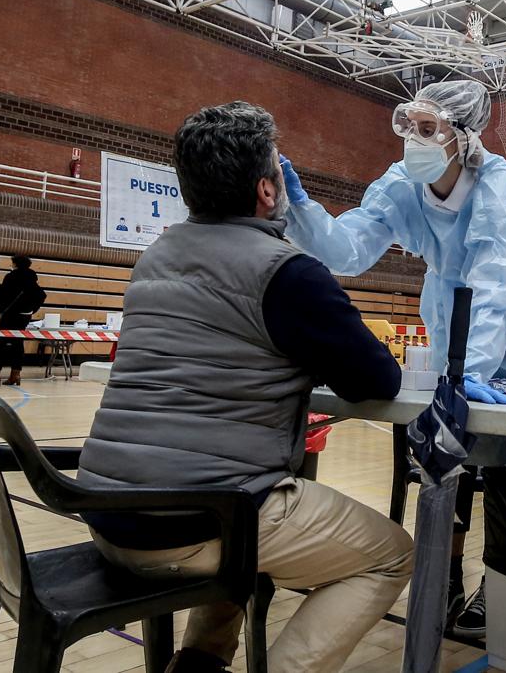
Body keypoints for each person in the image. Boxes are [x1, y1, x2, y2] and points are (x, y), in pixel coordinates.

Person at [77, 102, 413, 673]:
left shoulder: (155, 258)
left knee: (246, 492)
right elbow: (376, 380)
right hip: (196, 526)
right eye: (280, 172)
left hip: (106, 510)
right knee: (388, 556)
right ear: (266, 190)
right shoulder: (287, 272)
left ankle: (199, 665)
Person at [280, 79, 506, 638]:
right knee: (448, 453)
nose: (413, 138)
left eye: (429, 127)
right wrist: (302, 210)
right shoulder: (399, 184)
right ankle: (444, 577)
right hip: (452, 310)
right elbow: (349, 251)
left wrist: (472, 371)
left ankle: (497, 584)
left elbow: (498, 287)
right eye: (407, 124)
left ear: (463, 136)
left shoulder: (499, 188)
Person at [0, 255, 46, 387]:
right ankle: (15, 374)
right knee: (18, 344)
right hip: (25, 316)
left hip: (10, 315)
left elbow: (2, 296)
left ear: (15, 264)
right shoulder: (32, 278)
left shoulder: (11, 277)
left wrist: (1, 311)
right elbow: (41, 295)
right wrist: (32, 310)